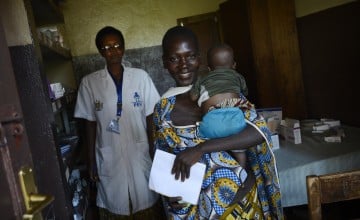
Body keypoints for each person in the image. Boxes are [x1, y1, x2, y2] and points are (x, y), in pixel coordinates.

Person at [152, 26, 283, 219]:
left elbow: (258, 131)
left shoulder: (224, 93)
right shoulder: (163, 109)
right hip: (198, 209)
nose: (183, 65)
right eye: (174, 59)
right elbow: (161, 153)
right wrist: (166, 190)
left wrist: (200, 149)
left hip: (243, 202)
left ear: (200, 59)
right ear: (164, 62)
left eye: (190, 56)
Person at [74, 26, 164, 219]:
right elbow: (89, 123)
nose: (112, 51)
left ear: (123, 48)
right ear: (100, 52)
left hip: (140, 150)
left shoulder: (141, 77)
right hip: (108, 152)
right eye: (106, 47)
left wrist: (153, 149)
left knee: (146, 200)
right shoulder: (89, 83)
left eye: (116, 45)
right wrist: (91, 161)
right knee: (114, 203)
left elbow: (151, 116)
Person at [189, 43, 250, 167]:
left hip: (211, 125)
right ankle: (241, 172)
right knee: (240, 149)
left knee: (205, 139)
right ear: (234, 65)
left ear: (209, 68)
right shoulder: (238, 76)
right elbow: (245, 93)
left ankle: (218, 165)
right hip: (236, 123)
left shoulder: (203, 78)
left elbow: (193, 97)